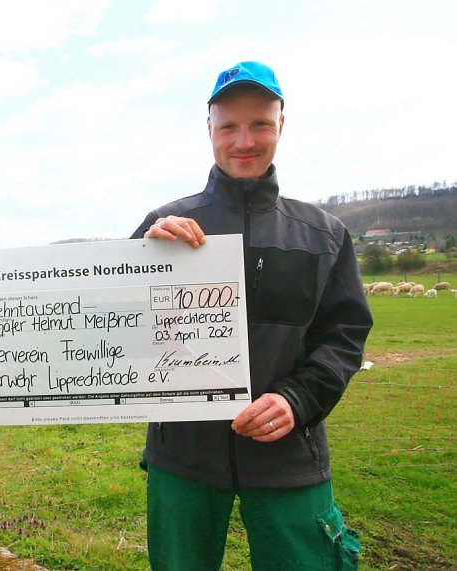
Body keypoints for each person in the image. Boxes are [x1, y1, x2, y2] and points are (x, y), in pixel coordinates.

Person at [131, 61, 373, 570]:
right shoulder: (164, 225)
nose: (244, 140)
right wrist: (144, 257)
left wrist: (297, 400)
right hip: (184, 457)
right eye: (229, 126)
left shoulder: (323, 233)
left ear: (281, 124)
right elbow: (120, 328)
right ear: (210, 132)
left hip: (290, 452)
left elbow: (345, 336)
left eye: (259, 123)